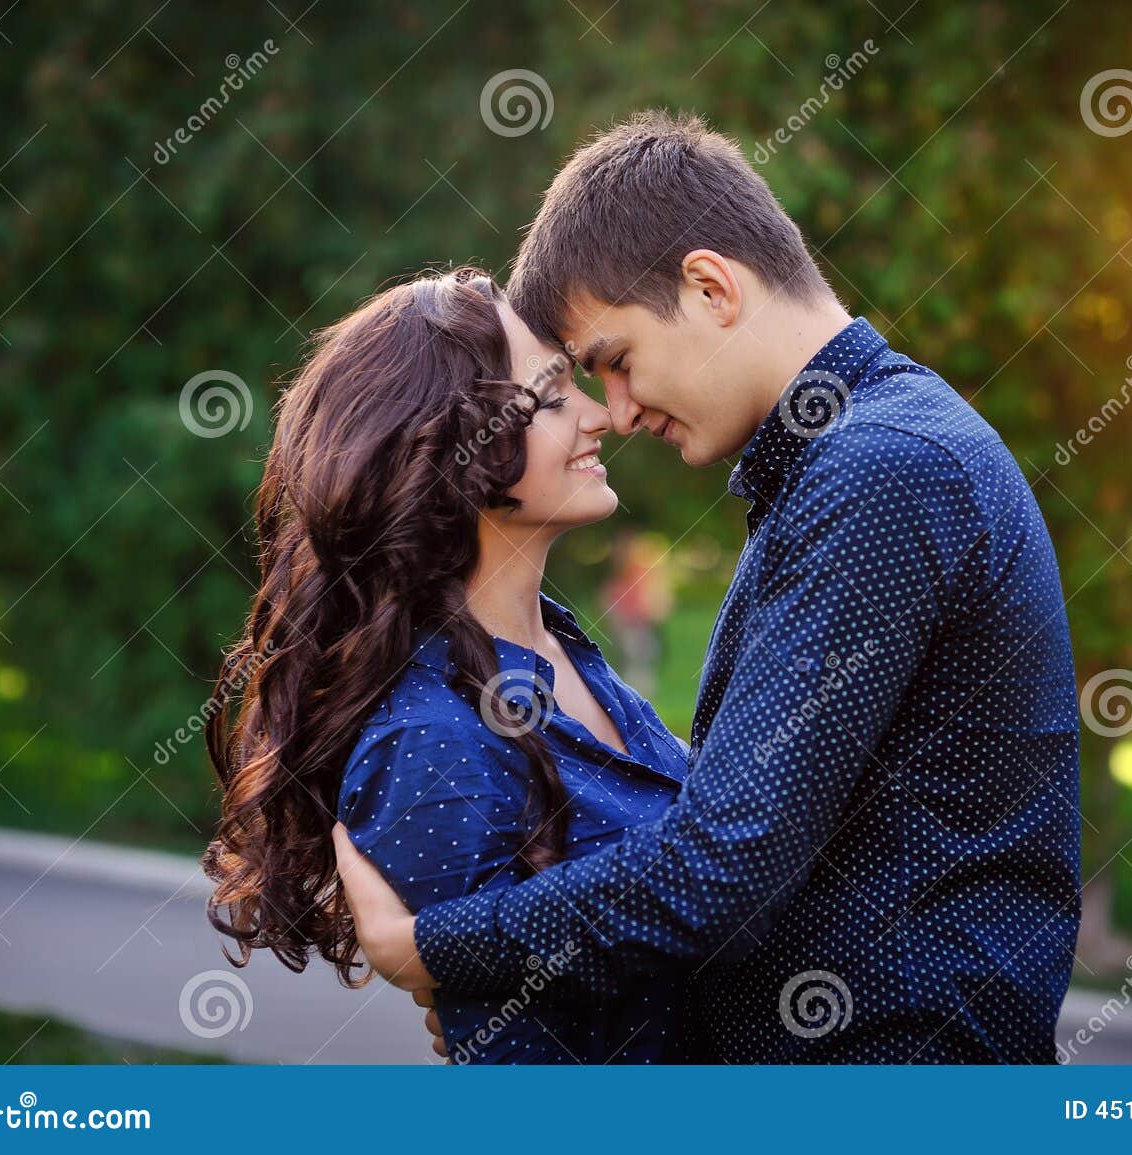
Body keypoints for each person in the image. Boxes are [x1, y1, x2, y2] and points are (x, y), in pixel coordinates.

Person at [334, 111, 1083, 1063]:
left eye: (614, 362)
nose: (620, 411)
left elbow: (720, 862)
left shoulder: (882, 472)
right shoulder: (852, 461)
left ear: (710, 286)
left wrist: (437, 950)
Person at [202, 267, 691, 1062]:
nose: (605, 416)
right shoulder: (428, 737)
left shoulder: (558, 646)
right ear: (452, 446)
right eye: (556, 394)